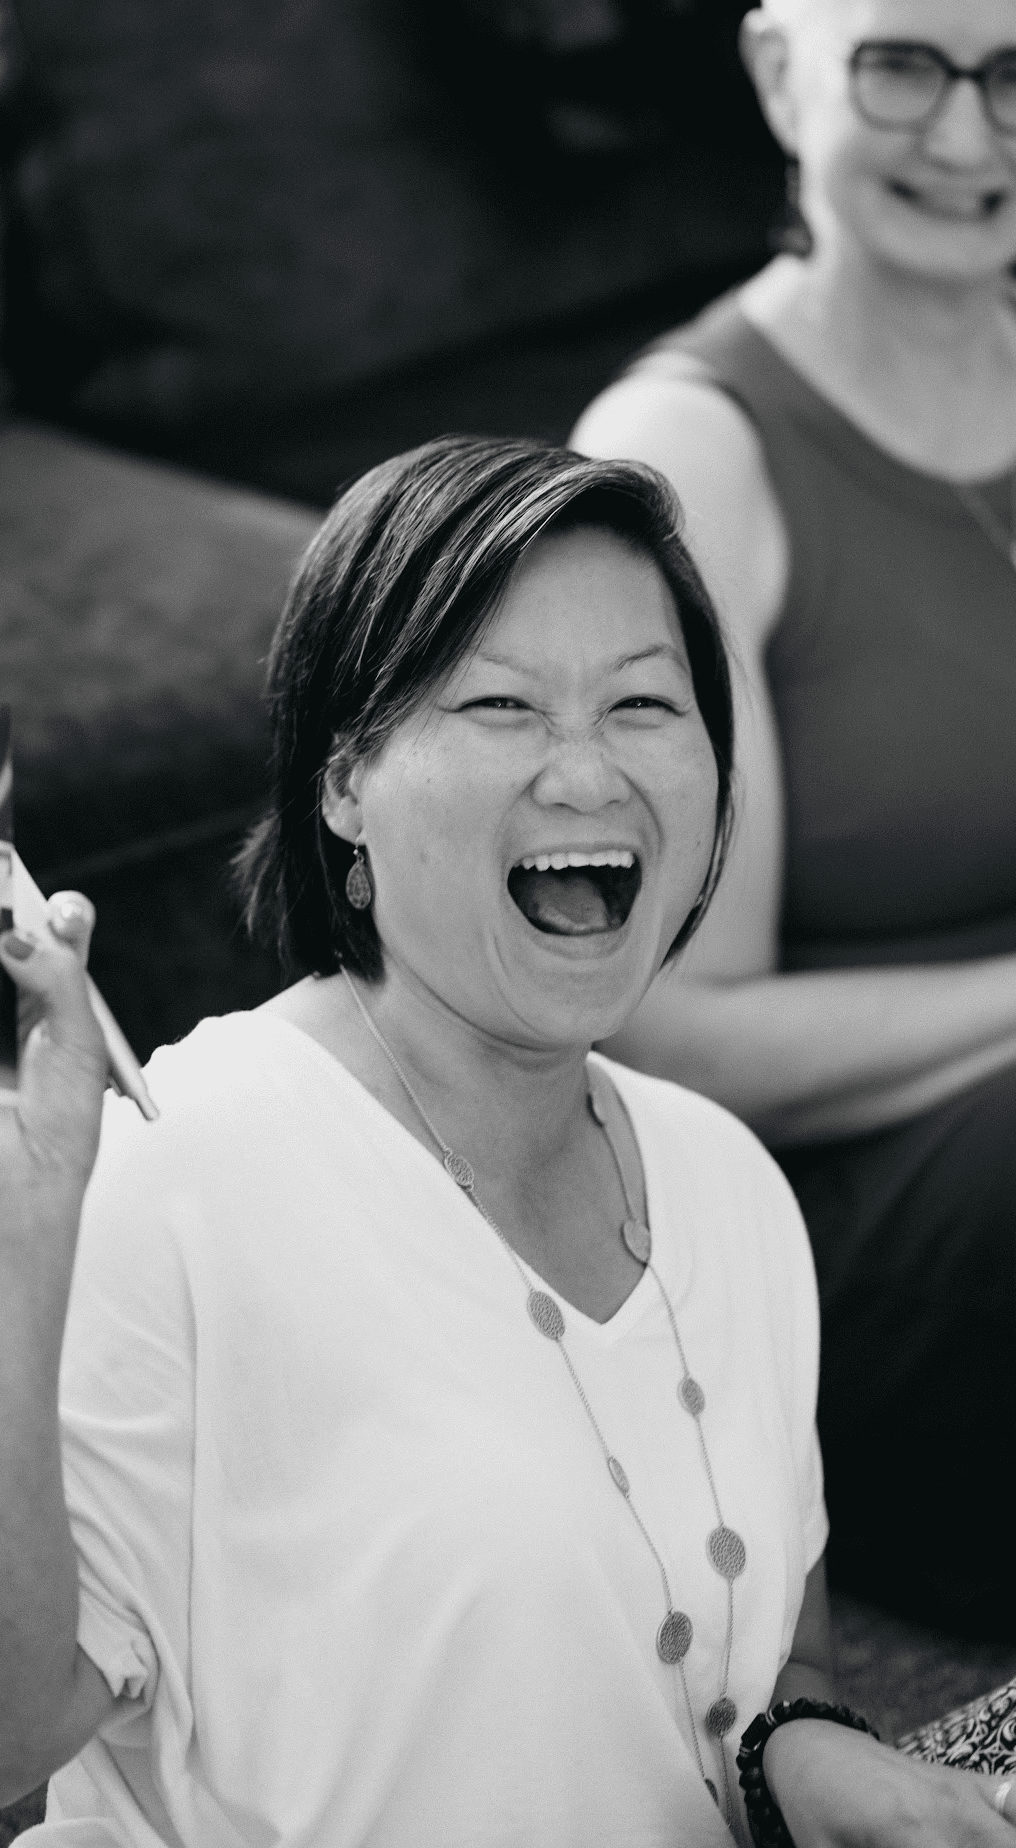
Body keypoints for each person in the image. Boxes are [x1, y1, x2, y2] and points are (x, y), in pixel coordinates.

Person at [1, 436, 1014, 1848]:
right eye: (502, 705)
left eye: (645, 703)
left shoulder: (725, 1183)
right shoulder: (175, 1171)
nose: (588, 772)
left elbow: (781, 1665)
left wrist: (817, 1758)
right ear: (344, 782)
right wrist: (27, 1239)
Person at [571, 0, 1016, 1638]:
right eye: (904, 64)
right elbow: (666, 1032)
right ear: (779, 73)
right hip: (855, 1253)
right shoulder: (689, 461)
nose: (967, 139)